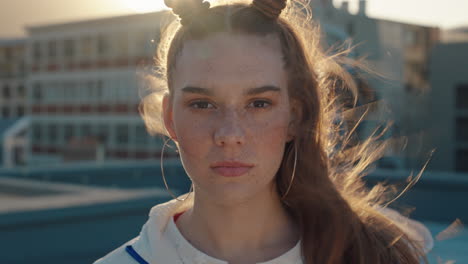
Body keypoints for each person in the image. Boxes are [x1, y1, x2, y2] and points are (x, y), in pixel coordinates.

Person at [94, 0, 433, 263]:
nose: (230, 134)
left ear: (294, 117)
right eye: (202, 104)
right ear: (170, 117)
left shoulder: (376, 252)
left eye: (258, 104)